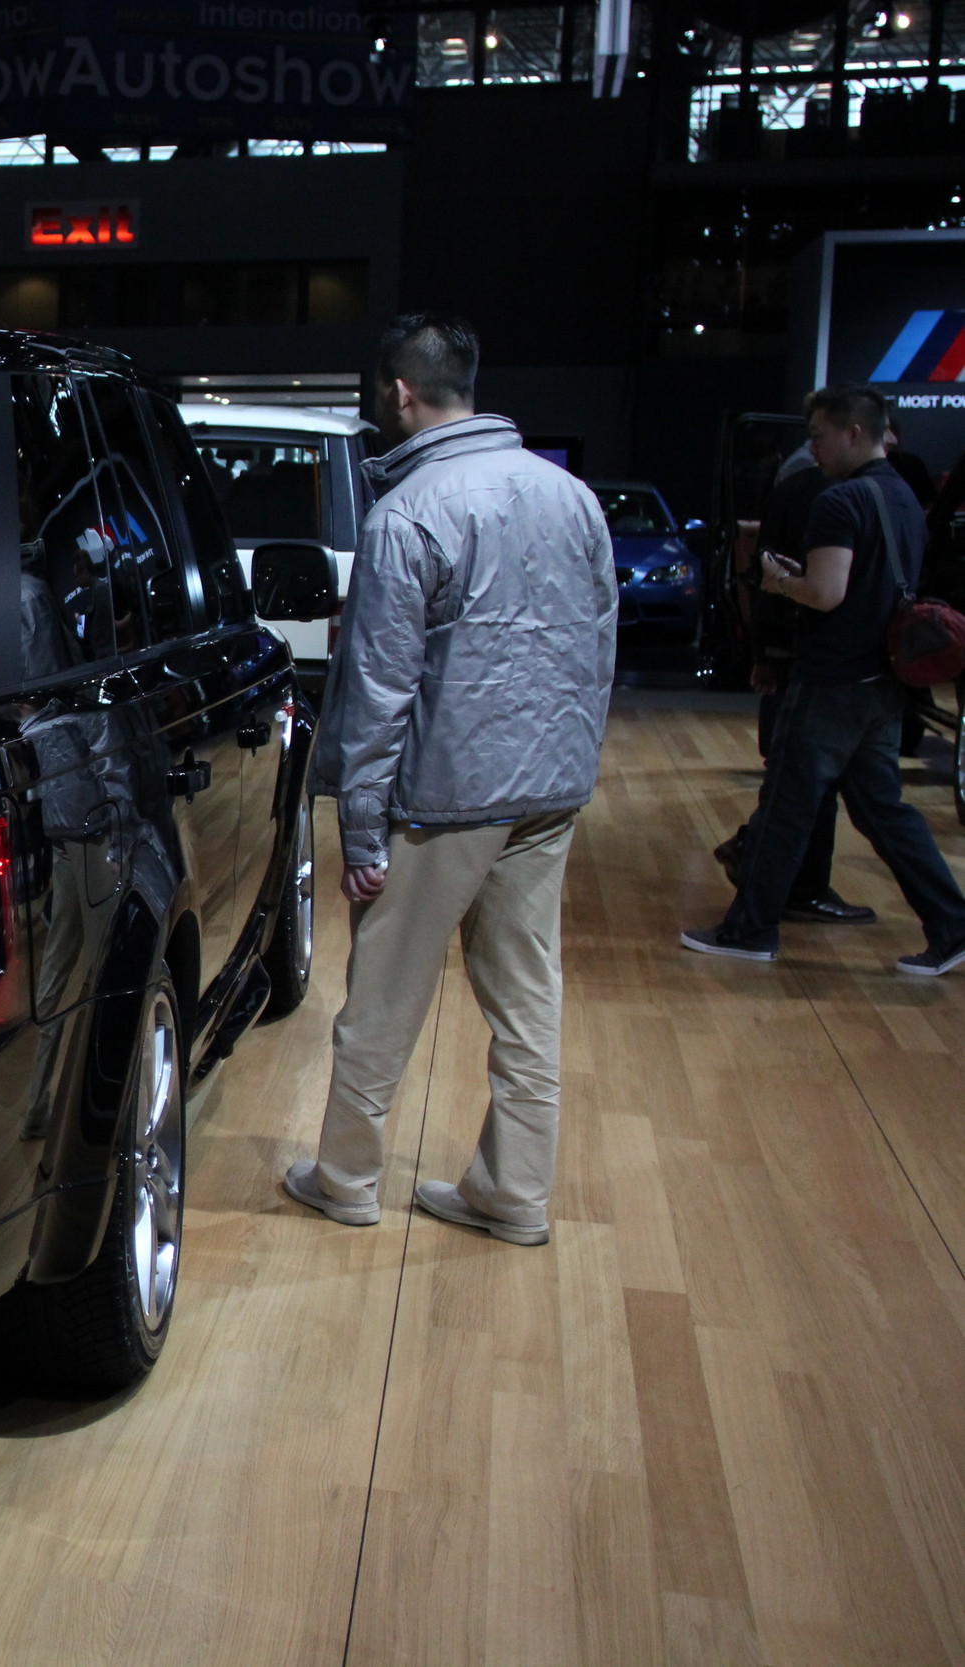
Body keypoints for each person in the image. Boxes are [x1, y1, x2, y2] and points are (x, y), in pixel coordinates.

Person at [282, 314, 618, 1247]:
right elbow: (600, 646)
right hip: (548, 789)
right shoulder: (571, 496)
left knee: (383, 1000)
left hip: (441, 800)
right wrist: (573, 768)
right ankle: (514, 1194)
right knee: (527, 1003)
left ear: (398, 393)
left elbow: (380, 686)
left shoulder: (409, 513)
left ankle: (347, 1177)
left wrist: (357, 830)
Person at [683, 386, 965, 974]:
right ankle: (952, 924)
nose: (810, 447)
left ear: (853, 433)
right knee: (883, 810)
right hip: (881, 680)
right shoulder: (904, 496)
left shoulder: (839, 502)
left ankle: (749, 930)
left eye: (817, 434)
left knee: (788, 804)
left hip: (830, 680)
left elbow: (826, 591)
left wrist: (778, 580)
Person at [710, 440, 875, 925]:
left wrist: (767, 649)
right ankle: (776, 885)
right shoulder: (830, 494)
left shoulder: (819, 489)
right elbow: (783, 579)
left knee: (800, 781)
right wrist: (770, 649)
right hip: (822, 663)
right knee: (804, 784)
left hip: (809, 660)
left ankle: (763, 869)